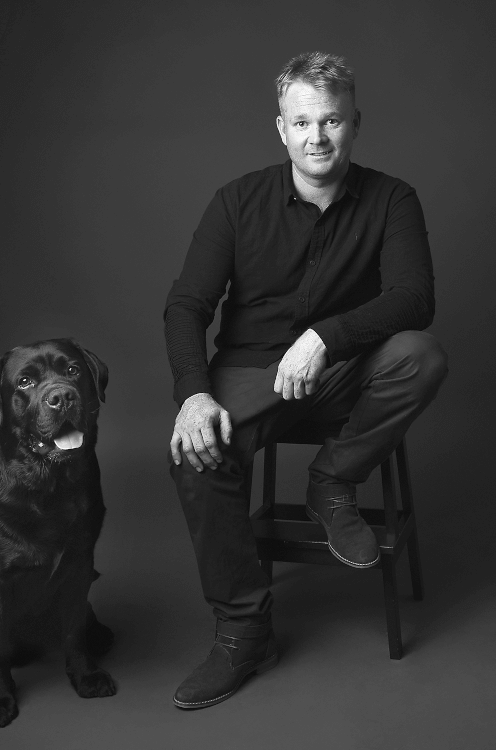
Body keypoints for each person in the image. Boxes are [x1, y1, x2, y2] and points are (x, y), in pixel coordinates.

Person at [163, 51, 448, 710]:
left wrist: (324, 338)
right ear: (281, 128)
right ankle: (244, 632)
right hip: (249, 373)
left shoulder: (393, 198)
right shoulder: (237, 200)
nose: (317, 137)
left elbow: (415, 298)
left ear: (355, 123)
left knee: (421, 354)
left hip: (345, 371)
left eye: (332, 121)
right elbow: (186, 306)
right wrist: (193, 393)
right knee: (194, 455)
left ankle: (332, 480)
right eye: (302, 122)